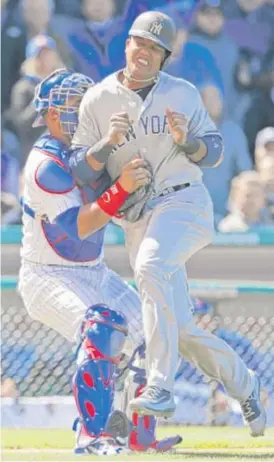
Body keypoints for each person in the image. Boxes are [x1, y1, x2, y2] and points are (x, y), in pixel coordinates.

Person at [71, 10, 266, 437]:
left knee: (151, 268)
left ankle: (160, 385)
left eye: (155, 49)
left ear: (165, 57)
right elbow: (80, 169)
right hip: (138, 217)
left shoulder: (182, 93)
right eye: (140, 43)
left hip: (183, 202)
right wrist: (106, 145)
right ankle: (245, 383)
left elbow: (213, 152)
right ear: (127, 45)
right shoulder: (99, 98)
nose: (145, 53)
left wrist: (188, 142)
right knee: (182, 329)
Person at [18, 68, 181, 455]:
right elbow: (79, 227)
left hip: (93, 272)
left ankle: (140, 436)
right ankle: (91, 436)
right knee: (101, 326)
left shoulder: (93, 148)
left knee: (154, 331)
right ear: (53, 115)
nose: (86, 113)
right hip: (47, 275)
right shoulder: (45, 165)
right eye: (76, 106)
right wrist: (122, 186)